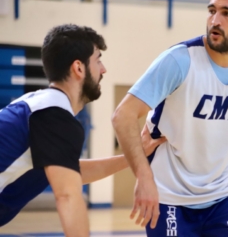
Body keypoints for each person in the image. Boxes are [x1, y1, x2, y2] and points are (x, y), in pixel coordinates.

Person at [112, 0, 228, 236]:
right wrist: (143, 178)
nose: (215, 21)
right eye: (212, 11)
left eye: (227, 13)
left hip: (221, 195)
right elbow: (123, 115)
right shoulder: (179, 60)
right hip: (169, 195)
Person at [0, 24, 166, 236]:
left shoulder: (39, 105)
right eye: (98, 60)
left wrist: (134, 156)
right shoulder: (55, 116)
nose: (103, 69)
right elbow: (68, 195)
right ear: (79, 68)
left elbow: (72, 173)